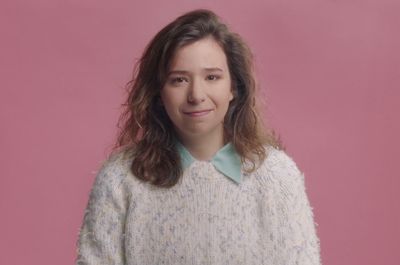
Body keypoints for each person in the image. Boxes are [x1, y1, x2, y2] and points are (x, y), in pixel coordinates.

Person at [75, 8, 322, 265]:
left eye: (212, 77)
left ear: (233, 87)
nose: (196, 95)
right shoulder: (120, 178)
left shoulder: (278, 176)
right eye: (179, 80)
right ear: (159, 92)